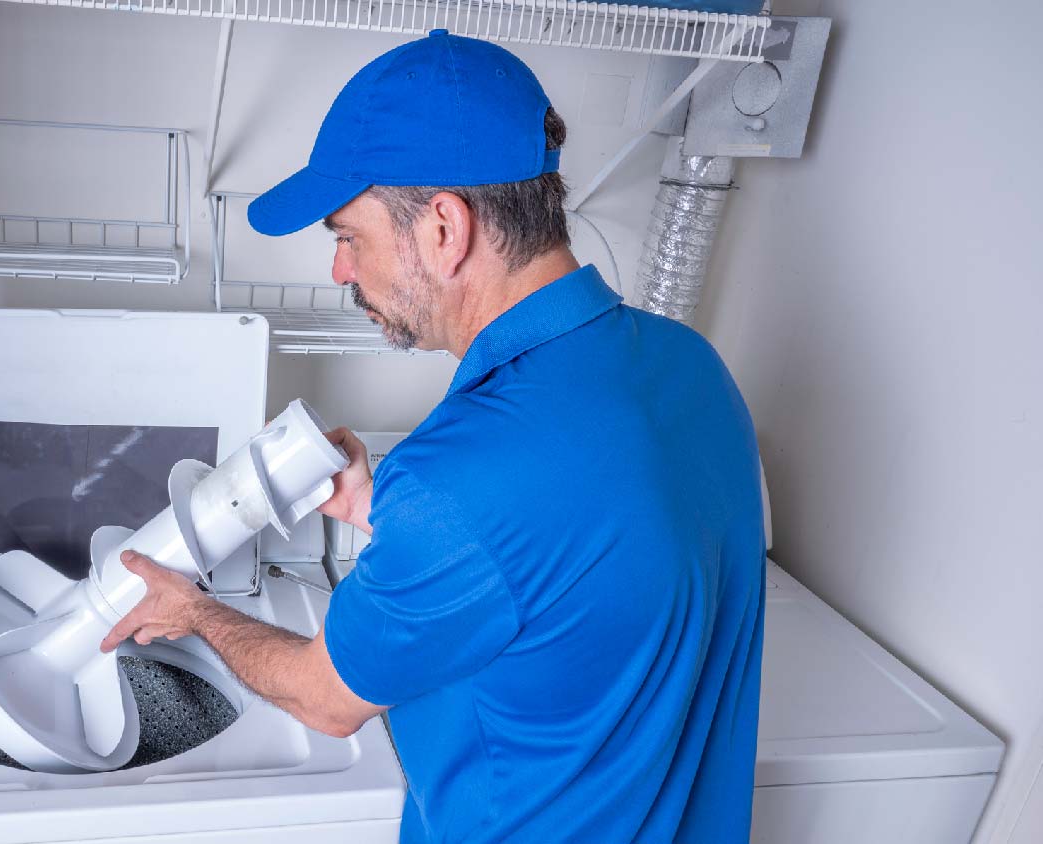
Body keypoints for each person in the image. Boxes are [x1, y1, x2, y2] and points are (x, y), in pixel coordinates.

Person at [99, 29, 765, 844]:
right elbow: (573, 563)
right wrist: (378, 506)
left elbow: (324, 698)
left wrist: (194, 611)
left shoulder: (460, 478)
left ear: (445, 228)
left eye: (349, 236)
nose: (342, 271)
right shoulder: (690, 368)